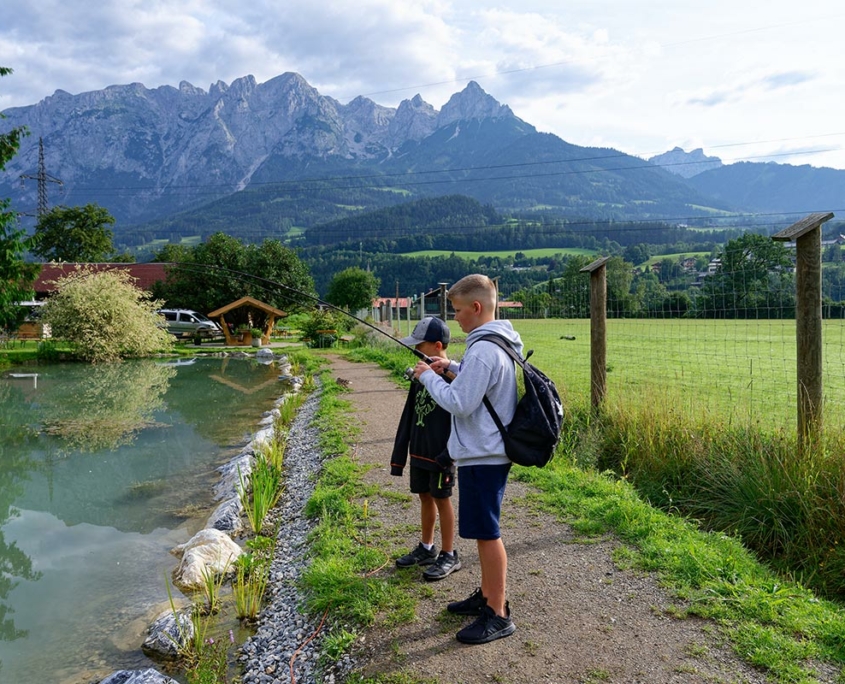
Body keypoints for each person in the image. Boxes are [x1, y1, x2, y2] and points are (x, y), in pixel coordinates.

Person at [413, 274, 522, 645]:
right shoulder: (495, 344)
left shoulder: (484, 350)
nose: (455, 318)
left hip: (484, 454)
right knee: (481, 531)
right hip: (486, 451)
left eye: (458, 310)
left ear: (476, 308)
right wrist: (453, 369)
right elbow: (479, 386)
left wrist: (429, 377)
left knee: (487, 534)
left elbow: (460, 403)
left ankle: (498, 612)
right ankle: (488, 595)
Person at [390, 316, 461, 581]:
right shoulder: (420, 375)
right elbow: (409, 415)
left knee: (442, 499)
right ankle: (427, 547)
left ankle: (449, 553)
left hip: (442, 454)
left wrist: (445, 373)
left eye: (421, 345)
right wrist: (399, 457)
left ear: (438, 345)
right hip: (419, 451)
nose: (416, 350)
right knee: (424, 496)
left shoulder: (454, 377)